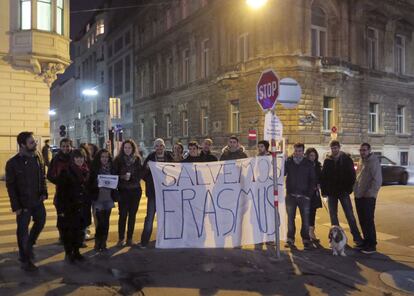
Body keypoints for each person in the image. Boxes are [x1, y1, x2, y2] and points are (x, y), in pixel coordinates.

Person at [5, 132, 47, 271]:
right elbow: (10, 187)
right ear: (22, 145)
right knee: (22, 231)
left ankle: (29, 245)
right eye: (31, 142)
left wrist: (44, 192)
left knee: (41, 222)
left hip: (37, 201)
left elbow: (42, 176)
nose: (35, 144)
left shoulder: (38, 157)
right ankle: (25, 259)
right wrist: (16, 206)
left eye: (34, 141)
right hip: (23, 205)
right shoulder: (12, 163)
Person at [320, 140, 364, 248]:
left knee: (350, 215)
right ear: (331, 149)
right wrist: (324, 191)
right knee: (333, 217)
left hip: (343, 192)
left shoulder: (346, 159)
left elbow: (352, 175)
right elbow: (324, 177)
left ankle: (357, 238)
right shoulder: (327, 161)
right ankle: (336, 239)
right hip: (331, 193)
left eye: (336, 148)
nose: (334, 150)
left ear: (339, 148)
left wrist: (349, 189)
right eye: (332, 148)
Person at [138, 138, 174, 248]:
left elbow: (175, 170)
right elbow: (142, 174)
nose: (159, 148)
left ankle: (166, 239)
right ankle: (144, 241)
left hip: (166, 194)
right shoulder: (150, 157)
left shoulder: (169, 157)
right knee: (149, 217)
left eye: (161, 146)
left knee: (166, 217)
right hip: (153, 193)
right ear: (154, 147)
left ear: (164, 146)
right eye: (157, 146)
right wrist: (148, 170)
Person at [56, 149, 89, 263]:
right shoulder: (66, 172)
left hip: (81, 206)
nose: (80, 160)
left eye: (82, 157)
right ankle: (69, 253)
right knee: (69, 231)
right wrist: (61, 210)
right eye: (77, 157)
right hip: (69, 206)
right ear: (73, 159)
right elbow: (60, 193)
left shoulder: (86, 171)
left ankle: (76, 251)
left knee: (79, 231)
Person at [284, 143, 315, 250]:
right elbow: (282, 173)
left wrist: (308, 195)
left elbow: (312, 180)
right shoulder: (288, 162)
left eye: (300, 151)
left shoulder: (308, 163)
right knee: (290, 219)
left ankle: (306, 239)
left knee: (305, 220)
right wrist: (281, 160)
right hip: (291, 196)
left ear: (303, 152)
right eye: (296, 151)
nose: (298, 153)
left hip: (304, 197)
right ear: (294, 150)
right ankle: (290, 239)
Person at [113, 139, 143, 247]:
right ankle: (121, 238)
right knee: (123, 215)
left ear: (133, 148)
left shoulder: (137, 159)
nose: (127, 149)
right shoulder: (118, 160)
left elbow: (140, 174)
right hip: (123, 191)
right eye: (125, 147)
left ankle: (130, 238)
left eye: (129, 147)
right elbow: (114, 175)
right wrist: (122, 177)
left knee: (132, 215)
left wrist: (132, 178)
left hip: (135, 191)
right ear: (122, 148)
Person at [353, 143, 382, 254]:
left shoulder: (373, 162)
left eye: (364, 150)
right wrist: (355, 189)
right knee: (362, 220)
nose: (362, 152)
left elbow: (377, 180)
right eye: (361, 150)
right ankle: (366, 242)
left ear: (369, 150)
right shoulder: (362, 161)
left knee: (368, 220)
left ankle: (372, 245)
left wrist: (369, 193)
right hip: (359, 195)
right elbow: (358, 176)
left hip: (368, 197)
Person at [88, 149, 118, 252]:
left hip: (108, 198)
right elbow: (89, 183)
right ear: (99, 158)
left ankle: (103, 243)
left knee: (106, 221)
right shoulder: (94, 168)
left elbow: (115, 181)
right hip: (98, 199)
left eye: (106, 157)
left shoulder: (112, 168)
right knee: (100, 222)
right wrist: (96, 182)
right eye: (102, 157)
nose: (104, 159)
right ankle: (97, 243)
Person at [47, 138, 73, 244]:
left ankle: (73, 237)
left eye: (67, 146)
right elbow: (49, 175)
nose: (66, 148)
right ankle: (62, 237)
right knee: (61, 216)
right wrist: (59, 181)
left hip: (74, 192)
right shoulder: (56, 159)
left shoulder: (75, 156)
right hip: (61, 193)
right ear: (60, 147)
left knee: (73, 216)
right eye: (63, 146)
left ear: (71, 146)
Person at [305, 147, 323, 243]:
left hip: (314, 193)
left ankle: (312, 232)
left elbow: (320, 178)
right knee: (306, 213)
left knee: (313, 212)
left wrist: (319, 184)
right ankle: (306, 234)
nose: (313, 157)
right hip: (306, 193)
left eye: (314, 155)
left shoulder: (317, 165)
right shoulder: (304, 165)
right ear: (307, 156)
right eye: (311, 155)